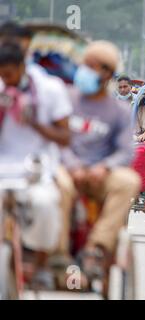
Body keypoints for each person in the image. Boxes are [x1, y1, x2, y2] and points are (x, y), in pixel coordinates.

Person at [58, 41, 140, 281]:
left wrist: (104, 167)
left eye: (92, 67)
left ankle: (96, 248)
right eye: (85, 65)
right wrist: (73, 165)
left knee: (128, 182)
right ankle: (59, 253)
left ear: (107, 74)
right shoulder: (66, 99)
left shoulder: (120, 110)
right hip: (67, 169)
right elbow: (57, 141)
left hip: (101, 173)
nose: (85, 71)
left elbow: (126, 151)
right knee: (58, 186)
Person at [0, 41, 72, 289]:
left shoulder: (49, 89)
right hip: (2, 167)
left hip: (36, 167)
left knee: (45, 204)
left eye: (8, 75)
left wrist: (34, 122)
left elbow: (65, 138)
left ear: (21, 67)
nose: (5, 81)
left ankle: (41, 262)